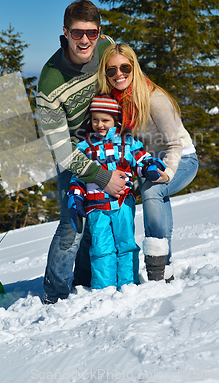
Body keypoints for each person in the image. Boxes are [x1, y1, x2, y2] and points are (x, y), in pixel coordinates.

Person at [36, 0, 129, 304]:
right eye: (77, 34)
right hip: (74, 152)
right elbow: (62, 153)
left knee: (103, 215)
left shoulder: (106, 48)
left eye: (91, 33)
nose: (85, 40)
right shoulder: (50, 83)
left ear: (99, 32)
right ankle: (55, 295)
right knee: (73, 224)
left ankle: (86, 281)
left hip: (107, 143)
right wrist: (101, 178)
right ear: (65, 32)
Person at [97, 43, 199, 282]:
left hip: (182, 158)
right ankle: (168, 268)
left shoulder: (155, 99)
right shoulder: (112, 101)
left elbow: (174, 146)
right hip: (148, 162)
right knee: (157, 196)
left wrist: (169, 173)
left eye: (125, 67)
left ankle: (156, 269)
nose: (118, 74)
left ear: (134, 68)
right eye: (111, 70)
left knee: (154, 189)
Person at [68, 94, 165, 290]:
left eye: (105, 120)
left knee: (126, 243)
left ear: (115, 121)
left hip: (123, 203)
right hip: (96, 207)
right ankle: (104, 288)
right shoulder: (84, 148)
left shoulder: (127, 143)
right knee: (101, 248)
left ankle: (129, 284)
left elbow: (140, 159)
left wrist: (149, 167)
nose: (99, 124)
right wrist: (75, 198)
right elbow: (78, 177)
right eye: (95, 119)